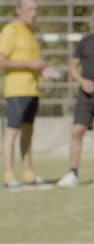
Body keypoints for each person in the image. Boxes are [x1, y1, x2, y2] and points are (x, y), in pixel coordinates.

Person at [56, 7, 94, 188]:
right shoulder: (86, 42)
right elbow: (72, 66)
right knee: (77, 131)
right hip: (86, 95)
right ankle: (73, 173)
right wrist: (81, 81)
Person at [0, 0, 53, 191]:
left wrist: (43, 71)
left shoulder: (30, 33)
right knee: (11, 132)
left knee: (28, 131)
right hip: (16, 91)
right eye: (30, 9)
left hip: (32, 90)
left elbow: (32, 62)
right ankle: (8, 176)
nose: (34, 13)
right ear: (18, 10)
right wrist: (30, 65)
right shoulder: (10, 30)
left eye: (36, 9)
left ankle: (28, 174)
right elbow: (1, 60)